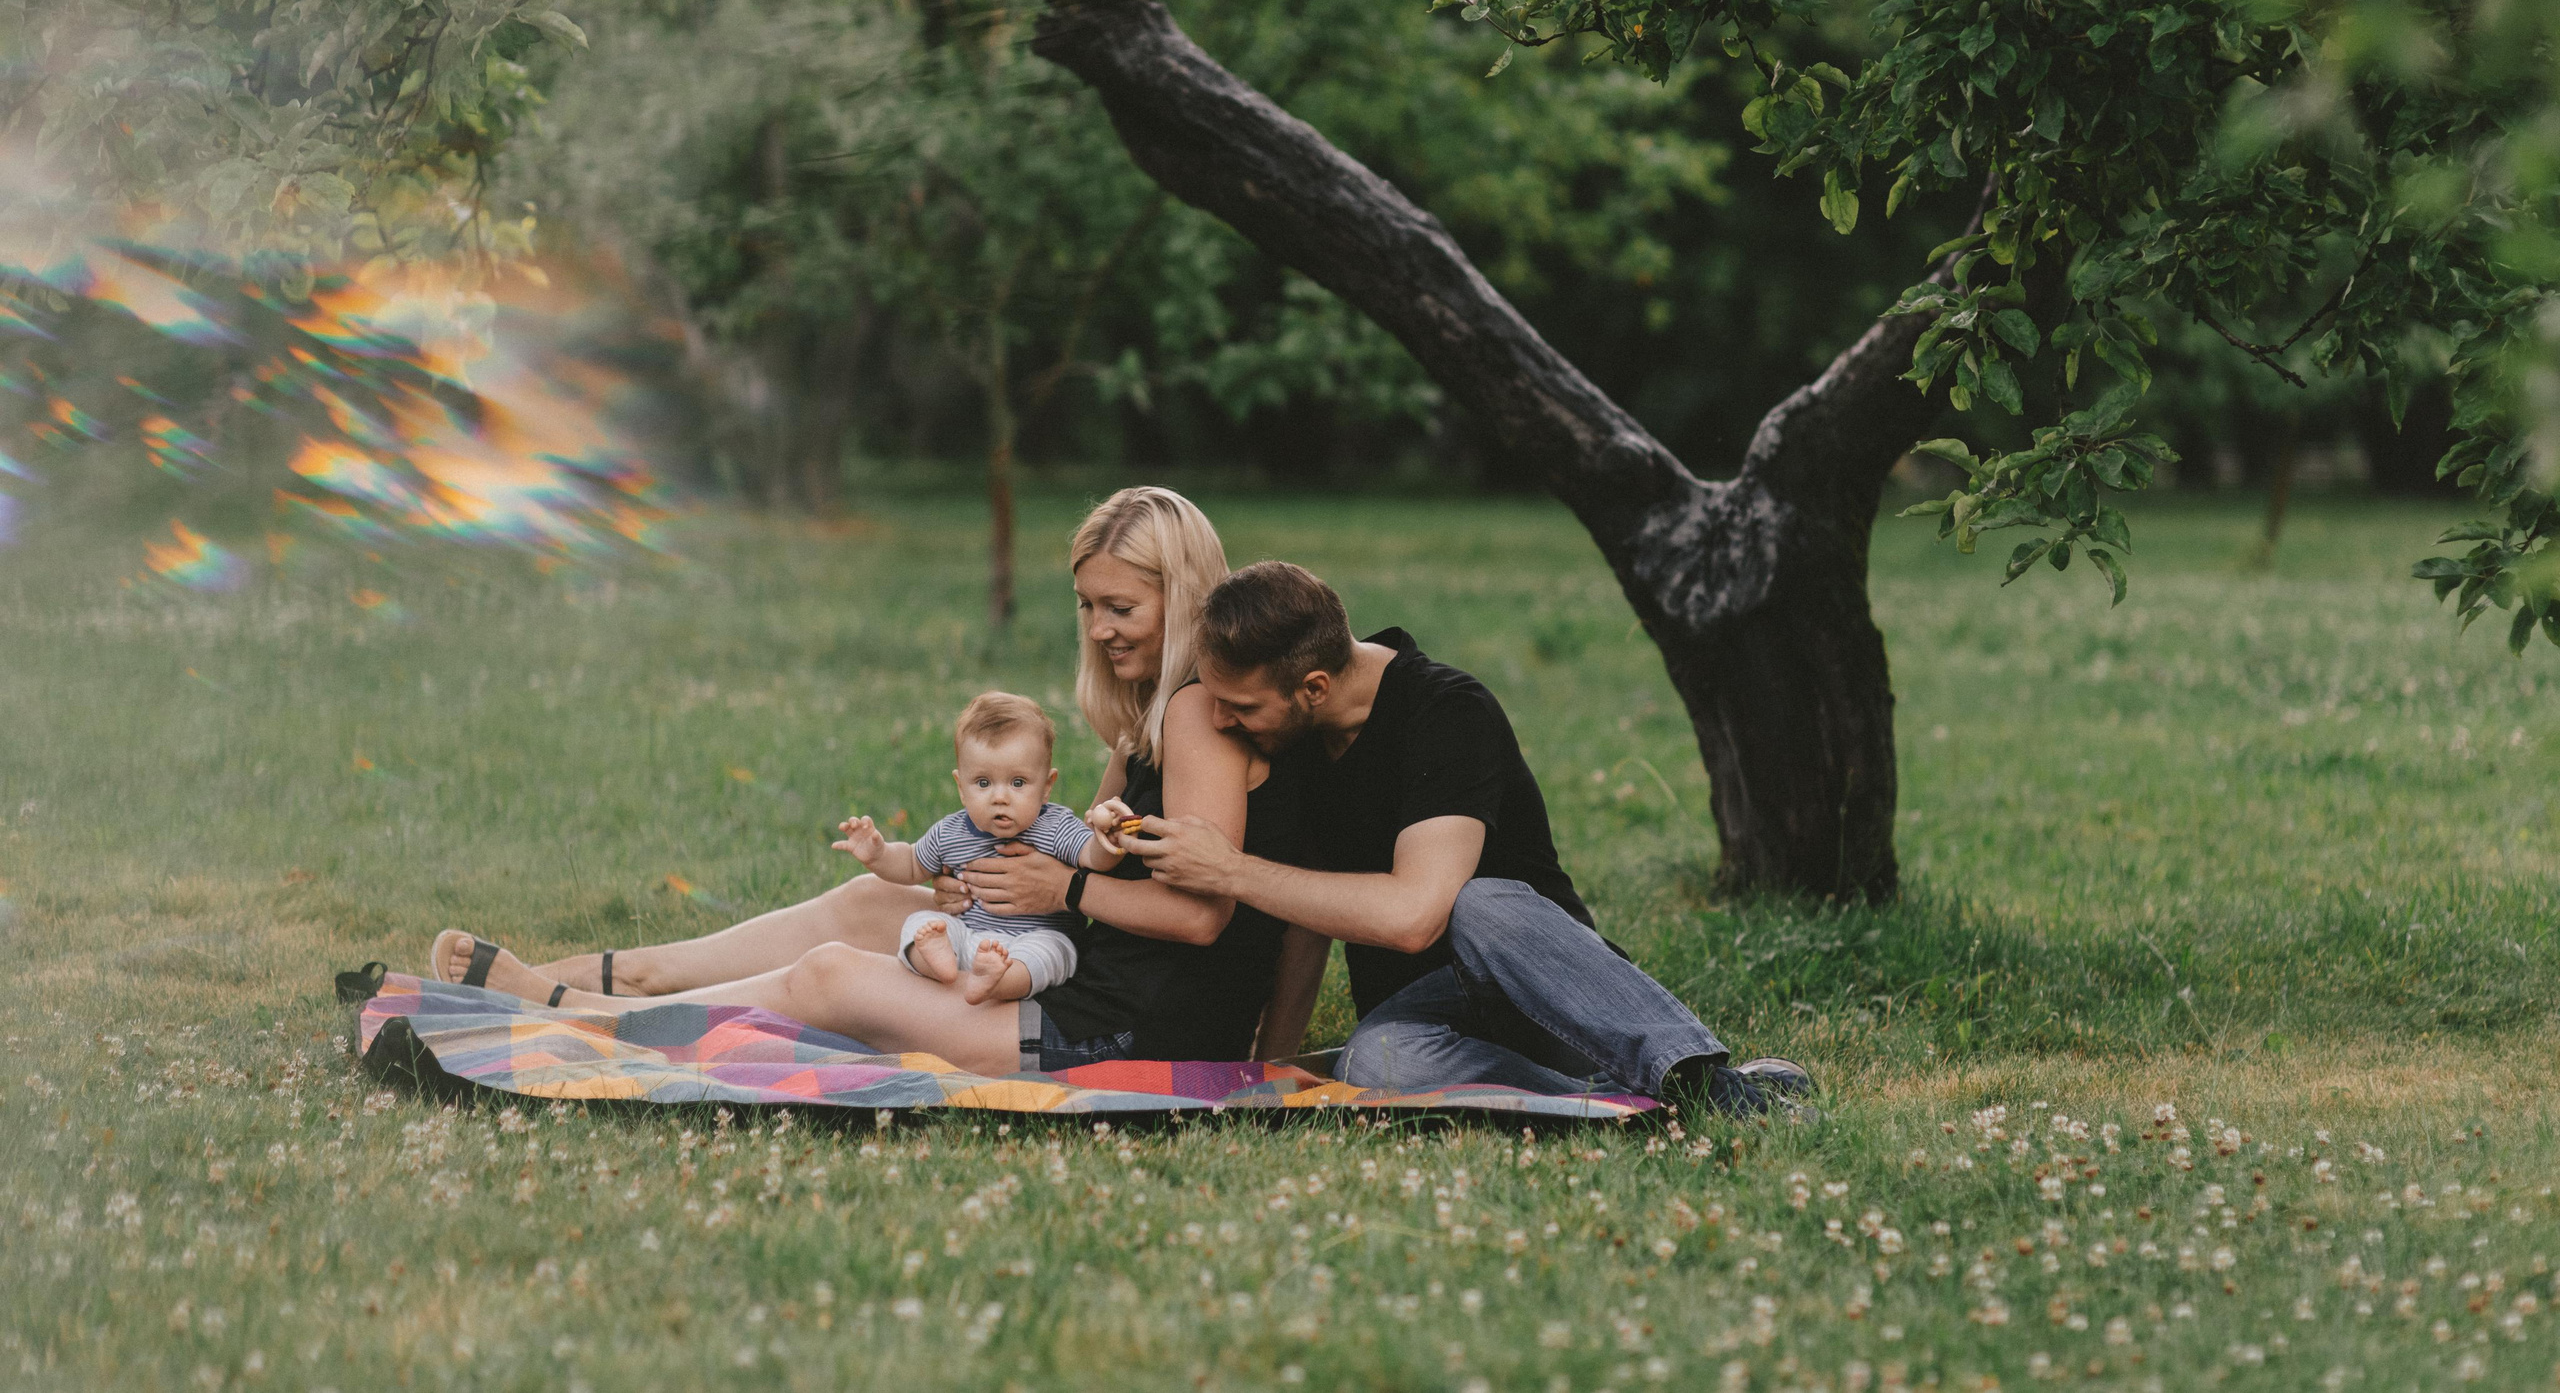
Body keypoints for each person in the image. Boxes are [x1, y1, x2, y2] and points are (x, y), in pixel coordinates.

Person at [427, 488, 1306, 1074]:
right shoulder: (1151, 711)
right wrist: (1003, 875)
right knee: (864, 903)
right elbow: (1086, 853)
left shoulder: (1198, 714)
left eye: (1123, 608)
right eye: (1088, 605)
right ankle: (627, 976)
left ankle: (590, 1021)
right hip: (1078, 969)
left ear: (1183, 596)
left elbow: (1203, 913)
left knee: (832, 978)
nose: (1101, 628)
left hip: (1130, 1030)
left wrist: (1061, 887)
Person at [1122, 560, 1814, 1117]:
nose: (1221, 718)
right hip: (1431, 1019)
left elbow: (1414, 916)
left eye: (1239, 705)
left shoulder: (1448, 712)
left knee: (1475, 902)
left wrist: (1233, 871)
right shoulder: (1299, 737)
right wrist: (1267, 1072)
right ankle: (1629, 1101)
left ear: (1314, 685)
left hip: (1545, 988)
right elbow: (1307, 917)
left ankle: (1705, 1080)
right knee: (1373, 1063)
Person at [833, 691, 1131, 1006]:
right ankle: (940, 962)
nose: (999, 797)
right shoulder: (951, 831)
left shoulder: (1055, 827)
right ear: (962, 788)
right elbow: (910, 865)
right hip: (969, 935)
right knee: (919, 924)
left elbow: (1090, 858)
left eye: (1018, 783)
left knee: (1053, 953)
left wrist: (1107, 840)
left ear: (1046, 787)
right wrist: (878, 855)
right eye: (983, 783)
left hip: (1034, 939)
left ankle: (1000, 981)